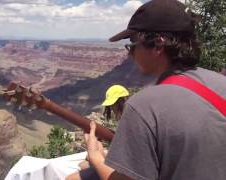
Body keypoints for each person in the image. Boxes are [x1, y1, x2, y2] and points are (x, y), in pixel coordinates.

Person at [84, 0, 226, 180]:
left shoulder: (144, 106)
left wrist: (96, 157)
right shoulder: (220, 83)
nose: (130, 53)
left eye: (132, 44)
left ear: (158, 44)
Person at [66, 85, 130, 180]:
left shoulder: (129, 121)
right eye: (111, 105)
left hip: (126, 172)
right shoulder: (128, 118)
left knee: (71, 178)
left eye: (115, 104)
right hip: (124, 166)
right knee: (83, 165)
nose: (113, 108)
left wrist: (94, 151)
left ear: (123, 100)